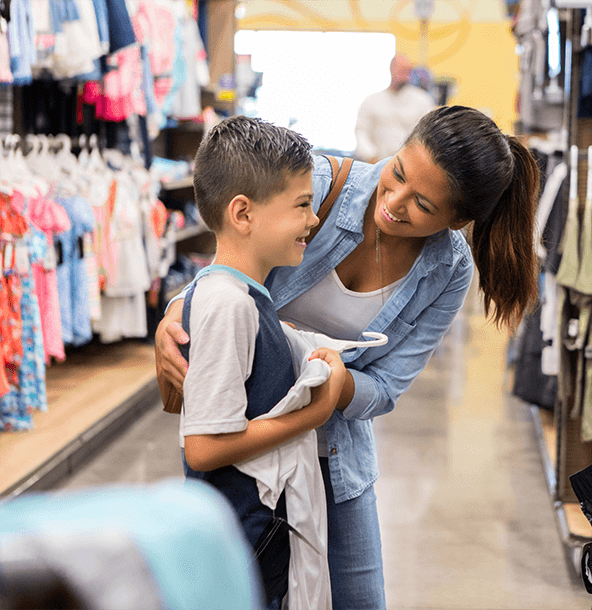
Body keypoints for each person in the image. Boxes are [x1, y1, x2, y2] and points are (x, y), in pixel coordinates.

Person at [156, 105, 540, 610]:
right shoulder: (313, 184)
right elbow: (231, 258)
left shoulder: (447, 269)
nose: (394, 202)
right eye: (397, 172)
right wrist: (178, 309)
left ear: (459, 221)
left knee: (358, 597)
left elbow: (385, 387)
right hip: (245, 448)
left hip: (334, 455)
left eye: (422, 205)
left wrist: (334, 388)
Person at [176, 115, 347, 610]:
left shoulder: (246, 299)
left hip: (254, 533)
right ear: (243, 214)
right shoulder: (228, 304)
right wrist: (313, 414)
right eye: (301, 206)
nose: (313, 221)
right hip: (245, 537)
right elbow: (203, 447)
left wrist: (286, 342)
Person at [353, 53, 436, 163]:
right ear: (391, 69)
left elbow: (430, 134)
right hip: (377, 164)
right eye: (401, 70)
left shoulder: (423, 101)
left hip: (410, 165)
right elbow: (361, 132)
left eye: (407, 71)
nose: (404, 75)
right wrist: (371, 156)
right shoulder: (371, 101)